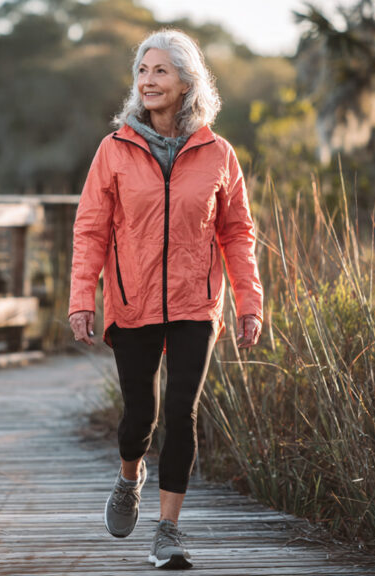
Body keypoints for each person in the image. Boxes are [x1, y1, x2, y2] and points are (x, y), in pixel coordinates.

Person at [68, 29, 263, 570]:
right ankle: (129, 478)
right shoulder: (114, 151)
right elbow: (90, 230)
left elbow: (237, 234)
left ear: (186, 82)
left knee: (182, 412)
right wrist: (83, 297)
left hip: (195, 305)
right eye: (143, 71)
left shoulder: (218, 153)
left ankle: (169, 530)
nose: (148, 81)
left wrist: (250, 303)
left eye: (160, 71)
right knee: (140, 416)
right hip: (132, 303)